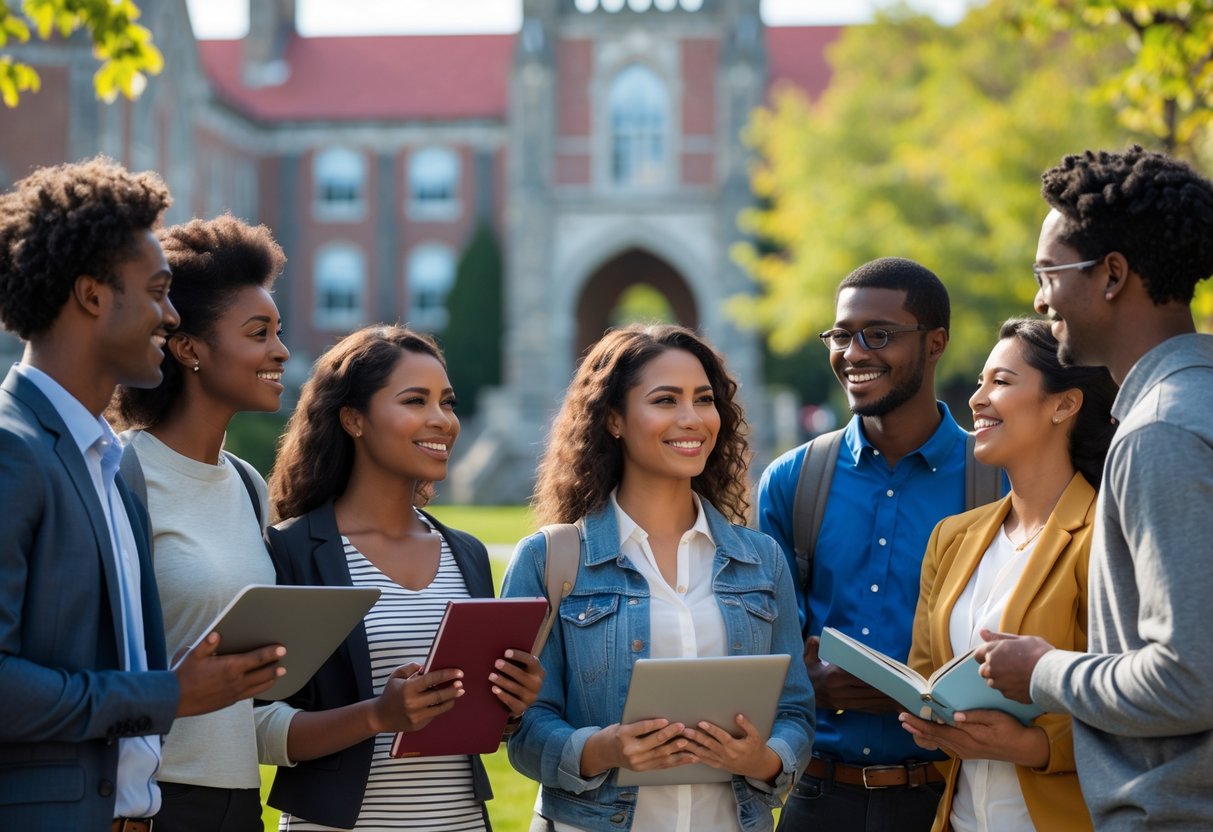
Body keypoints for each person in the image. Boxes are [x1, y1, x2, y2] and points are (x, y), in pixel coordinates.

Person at [0, 157, 284, 831]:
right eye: (157, 291)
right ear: (94, 296)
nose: (170, 312)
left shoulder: (112, 466)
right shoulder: (13, 449)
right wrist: (168, 695)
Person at [976, 146, 1213, 828]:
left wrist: (1043, 671)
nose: (1037, 298)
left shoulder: (1159, 433)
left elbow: (1187, 678)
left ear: (1111, 275)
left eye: (1047, 273)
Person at [502, 323, 814, 832]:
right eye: (665, 400)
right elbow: (522, 727)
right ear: (614, 420)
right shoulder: (549, 559)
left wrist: (764, 760)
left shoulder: (762, 559)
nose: (691, 419)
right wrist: (601, 748)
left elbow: (795, 711)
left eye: (704, 399)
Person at [264, 324, 545, 830]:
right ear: (353, 419)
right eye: (416, 401)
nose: (443, 421)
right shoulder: (291, 550)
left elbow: (482, 726)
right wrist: (378, 716)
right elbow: (257, 727)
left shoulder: (467, 555)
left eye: (448, 402)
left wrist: (511, 707)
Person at [759, 257, 988, 832]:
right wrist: (807, 684)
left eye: (879, 335)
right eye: (841, 335)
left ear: (935, 343)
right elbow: (758, 636)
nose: (854, 352)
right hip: (815, 798)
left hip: (948, 799)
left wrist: (920, 693)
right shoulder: (793, 479)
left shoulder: (995, 480)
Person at [108, 214, 294, 831]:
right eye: (257, 332)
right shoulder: (120, 473)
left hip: (240, 801)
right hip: (151, 805)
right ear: (187, 347)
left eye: (277, 330)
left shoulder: (246, 483)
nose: (281, 350)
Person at [899, 318, 1116, 831]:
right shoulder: (951, 538)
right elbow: (925, 672)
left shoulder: (1108, 536)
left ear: (1064, 404)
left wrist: (1035, 746)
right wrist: (930, 722)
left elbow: (1137, 695)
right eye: (979, 382)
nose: (976, 399)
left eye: (1000, 382)